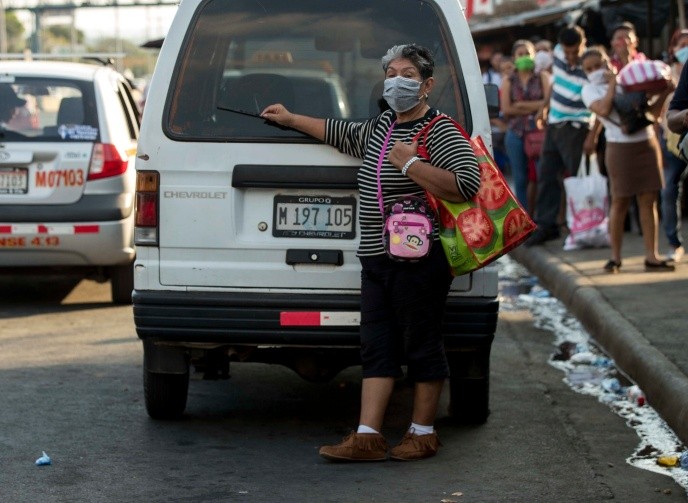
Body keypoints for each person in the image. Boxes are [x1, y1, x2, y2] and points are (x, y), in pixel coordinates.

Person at [261, 44, 480, 462]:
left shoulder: (440, 130)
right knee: (376, 345)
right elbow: (341, 133)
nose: (398, 81)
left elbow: (467, 184)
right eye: (392, 73)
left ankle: (422, 432)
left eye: (409, 75)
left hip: (421, 259)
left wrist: (411, 164)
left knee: (422, 343)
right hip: (376, 258)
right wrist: (290, 119)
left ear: (427, 85)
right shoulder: (381, 126)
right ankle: (367, 436)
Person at [581, 46, 675, 272]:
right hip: (619, 148)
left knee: (648, 200)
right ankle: (615, 257)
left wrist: (664, 92)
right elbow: (602, 110)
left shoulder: (630, 80)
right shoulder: (589, 89)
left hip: (646, 143)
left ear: (607, 62)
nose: (595, 70)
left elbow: (650, 114)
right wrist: (612, 84)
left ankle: (652, 256)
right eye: (589, 68)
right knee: (620, 201)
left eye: (598, 64)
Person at [526, 25, 596, 246]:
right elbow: (555, 85)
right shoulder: (556, 54)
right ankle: (547, 226)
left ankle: (585, 226)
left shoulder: (591, 63)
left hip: (577, 127)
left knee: (579, 179)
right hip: (554, 125)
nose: (571, 56)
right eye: (567, 52)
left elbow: (600, 102)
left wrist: (592, 135)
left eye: (575, 51)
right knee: (547, 177)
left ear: (583, 44)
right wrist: (543, 109)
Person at [500, 39, 549, 212]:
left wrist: (520, 105)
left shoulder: (542, 76)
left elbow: (548, 103)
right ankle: (524, 217)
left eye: (527, 53)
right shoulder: (508, 80)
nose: (524, 57)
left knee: (541, 176)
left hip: (538, 132)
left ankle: (542, 216)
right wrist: (536, 105)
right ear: (514, 58)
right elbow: (506, 109)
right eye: (520, 54)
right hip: (516, 133)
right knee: (520, 178)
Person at [659, 29, 688, 263]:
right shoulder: (664, 73)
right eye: (683, 43)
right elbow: (670, 116)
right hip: (673, 141)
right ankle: (674, 243)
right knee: (669, 189)